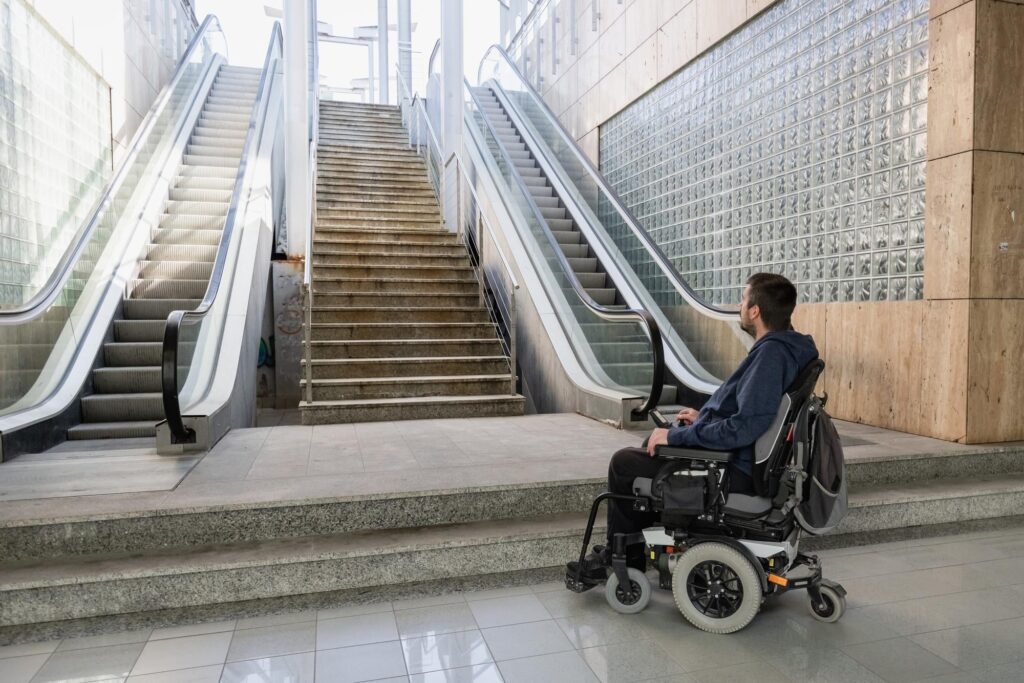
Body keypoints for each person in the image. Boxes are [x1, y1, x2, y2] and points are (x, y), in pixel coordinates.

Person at [571, 273, 819, 580]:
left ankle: (622, 562)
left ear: (755, 311)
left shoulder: (771, 355)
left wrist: (679, 435)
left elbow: (744, 428)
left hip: (732, 470)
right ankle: (632, 550)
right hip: (740, 458)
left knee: (624, 464)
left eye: (743, 299)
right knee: (650, 447)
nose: (739, 305)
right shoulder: (788, 349)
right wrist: (703, 418)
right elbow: (750, 414)